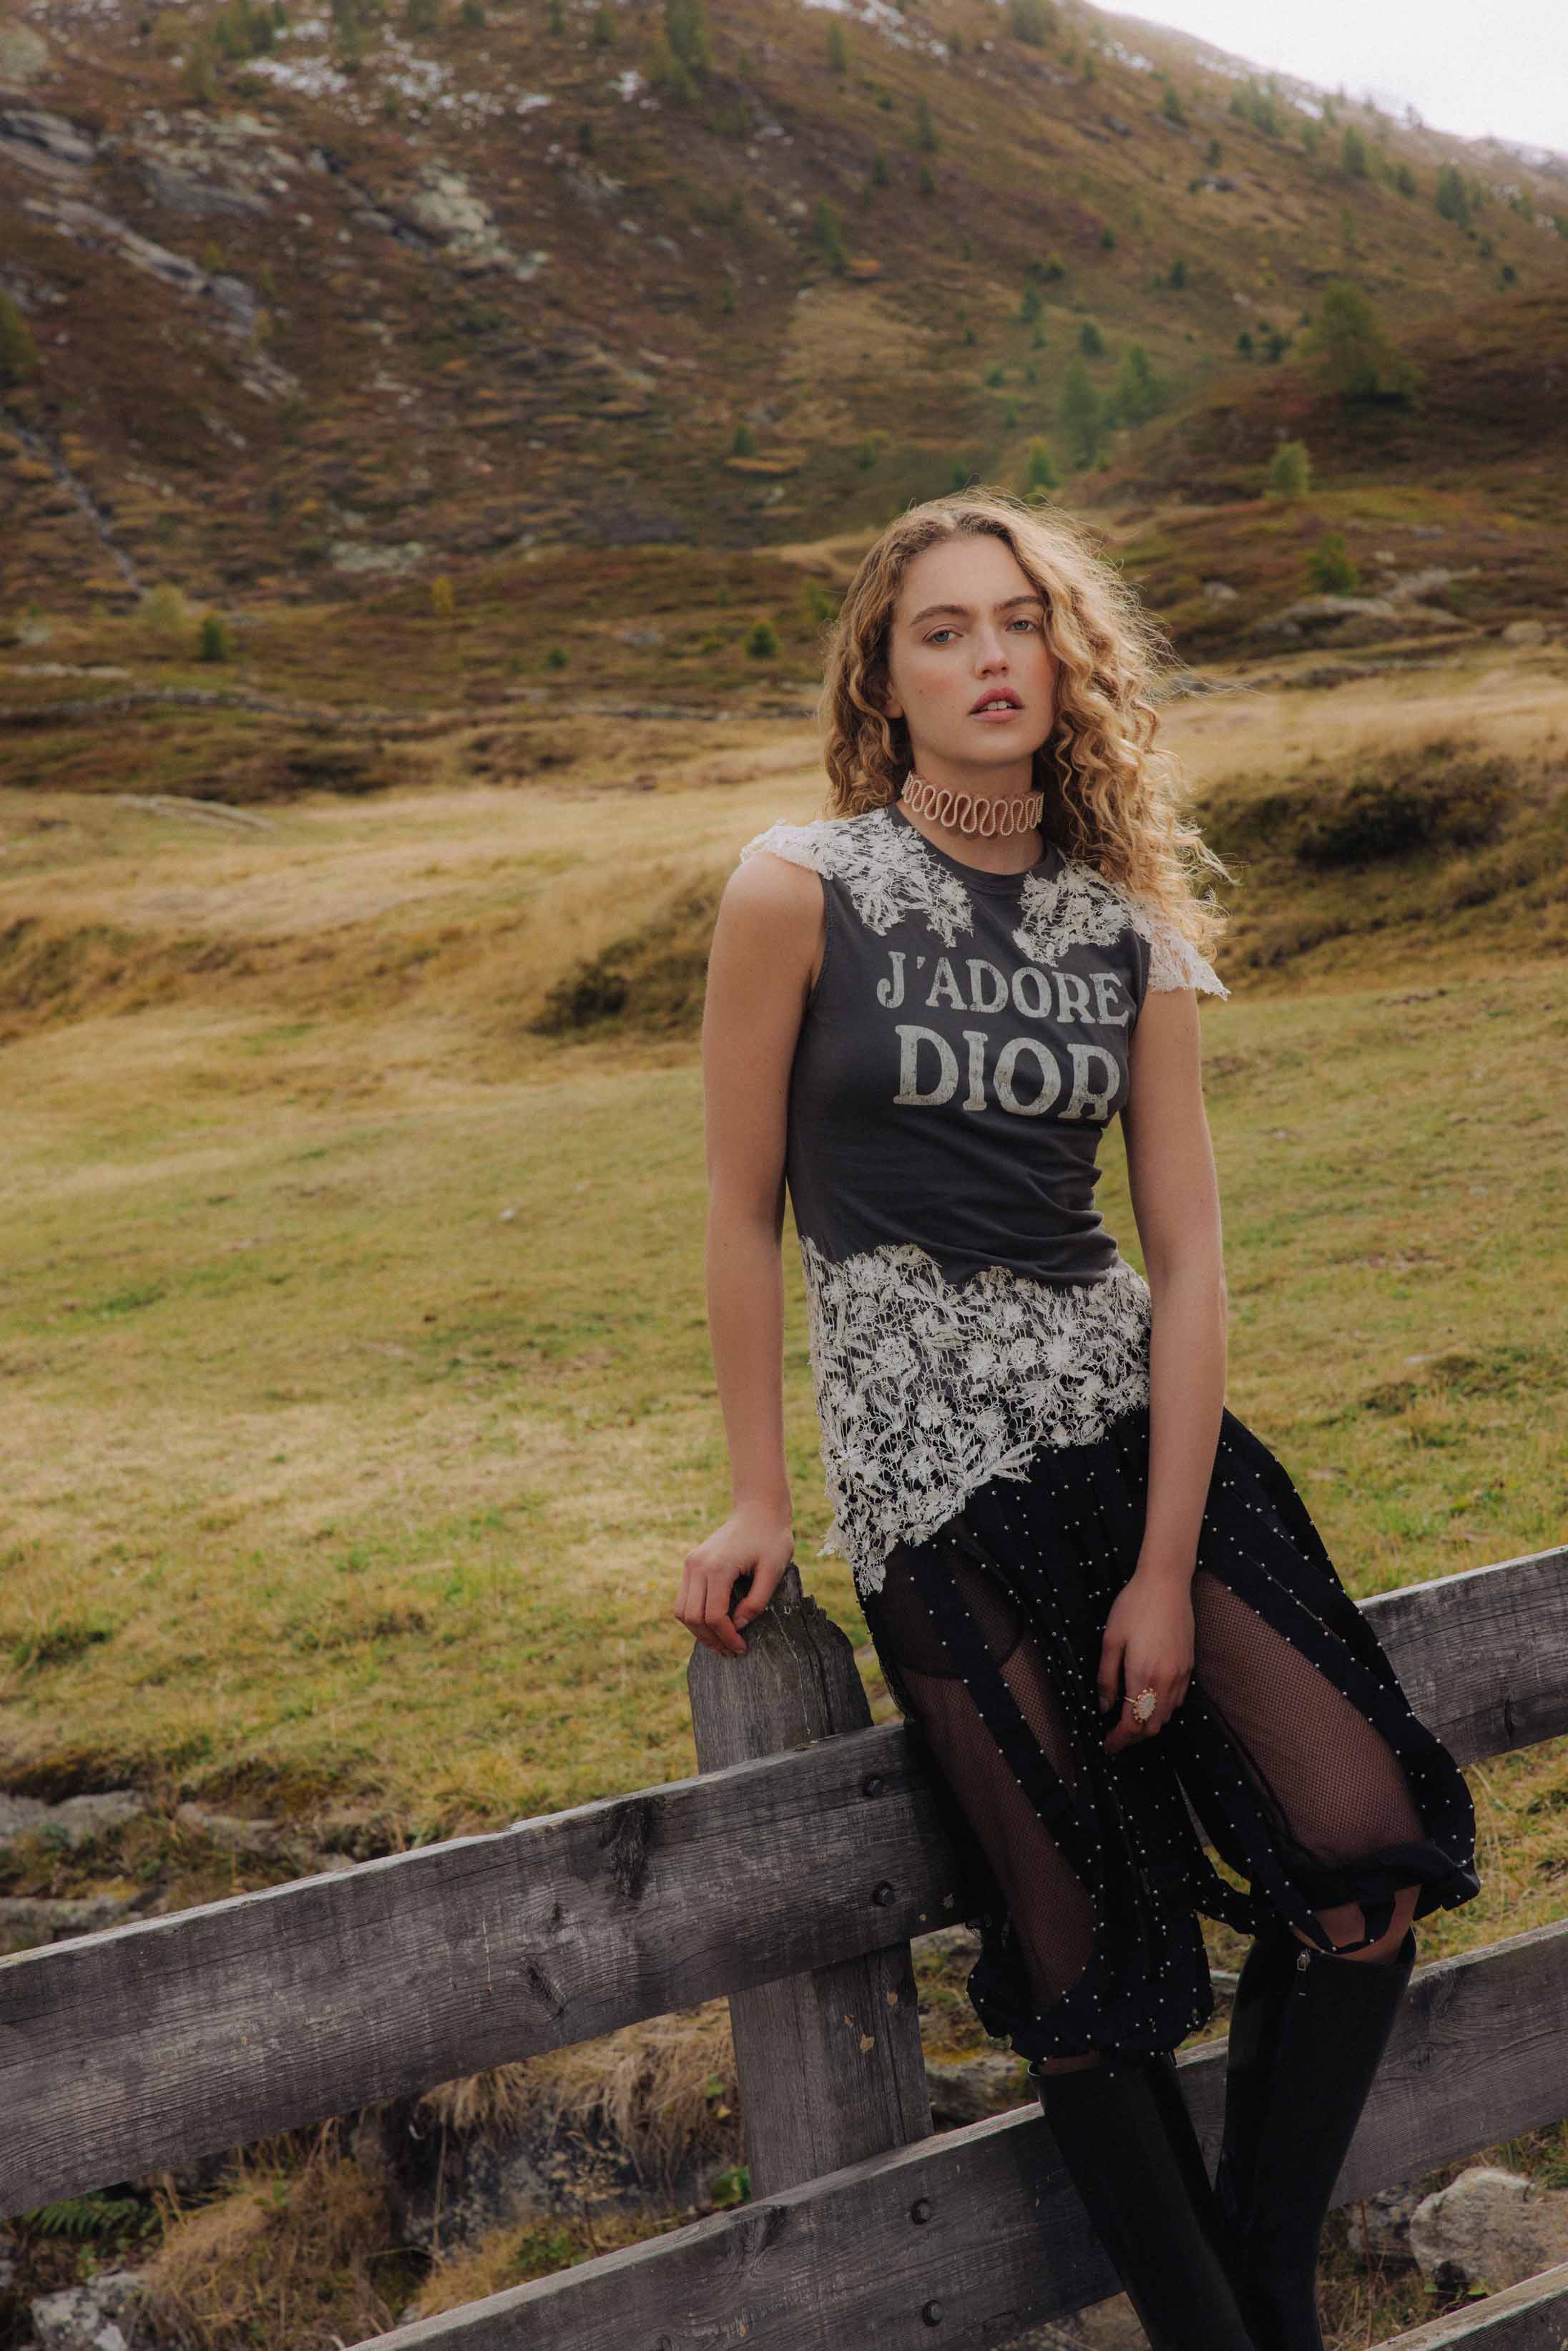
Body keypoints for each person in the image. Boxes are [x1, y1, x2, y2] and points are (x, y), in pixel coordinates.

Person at [672, 489, 1481, 2351]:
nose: (988, 658)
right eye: (942, 630)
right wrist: (753, 1494)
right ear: (885, 679)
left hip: (1131, 1430)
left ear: (1066, 657)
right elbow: (738, 1208)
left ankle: (1259, 2291)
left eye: (1018, 622)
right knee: (1085, 1957)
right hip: (933, 1475)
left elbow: (1192, 1260)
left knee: (1360, 1852)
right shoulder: (796, 887)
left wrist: (1174, 1561)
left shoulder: (1125, 930)